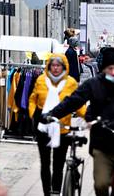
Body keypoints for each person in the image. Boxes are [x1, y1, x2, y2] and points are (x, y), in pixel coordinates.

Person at [42, 48, 114, 196]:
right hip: (102, 145)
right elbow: (74, 100)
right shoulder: (94, 84)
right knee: (101, 184)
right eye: (110, 68)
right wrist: (52, 114)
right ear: (103, 68)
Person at [29, 54, 86, 196]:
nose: (55, 68)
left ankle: (56, 191)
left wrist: (88, 118)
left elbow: (77, 103)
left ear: (64, 67)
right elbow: (33, 99)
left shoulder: (71, 82)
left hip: (61, 129)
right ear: (48, 66)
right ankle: (47, 192)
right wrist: (33, 114)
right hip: (44, 127)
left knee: (58, 165)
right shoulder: (41, 80)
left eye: (58, 65)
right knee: (45, 164)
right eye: (53, 65)